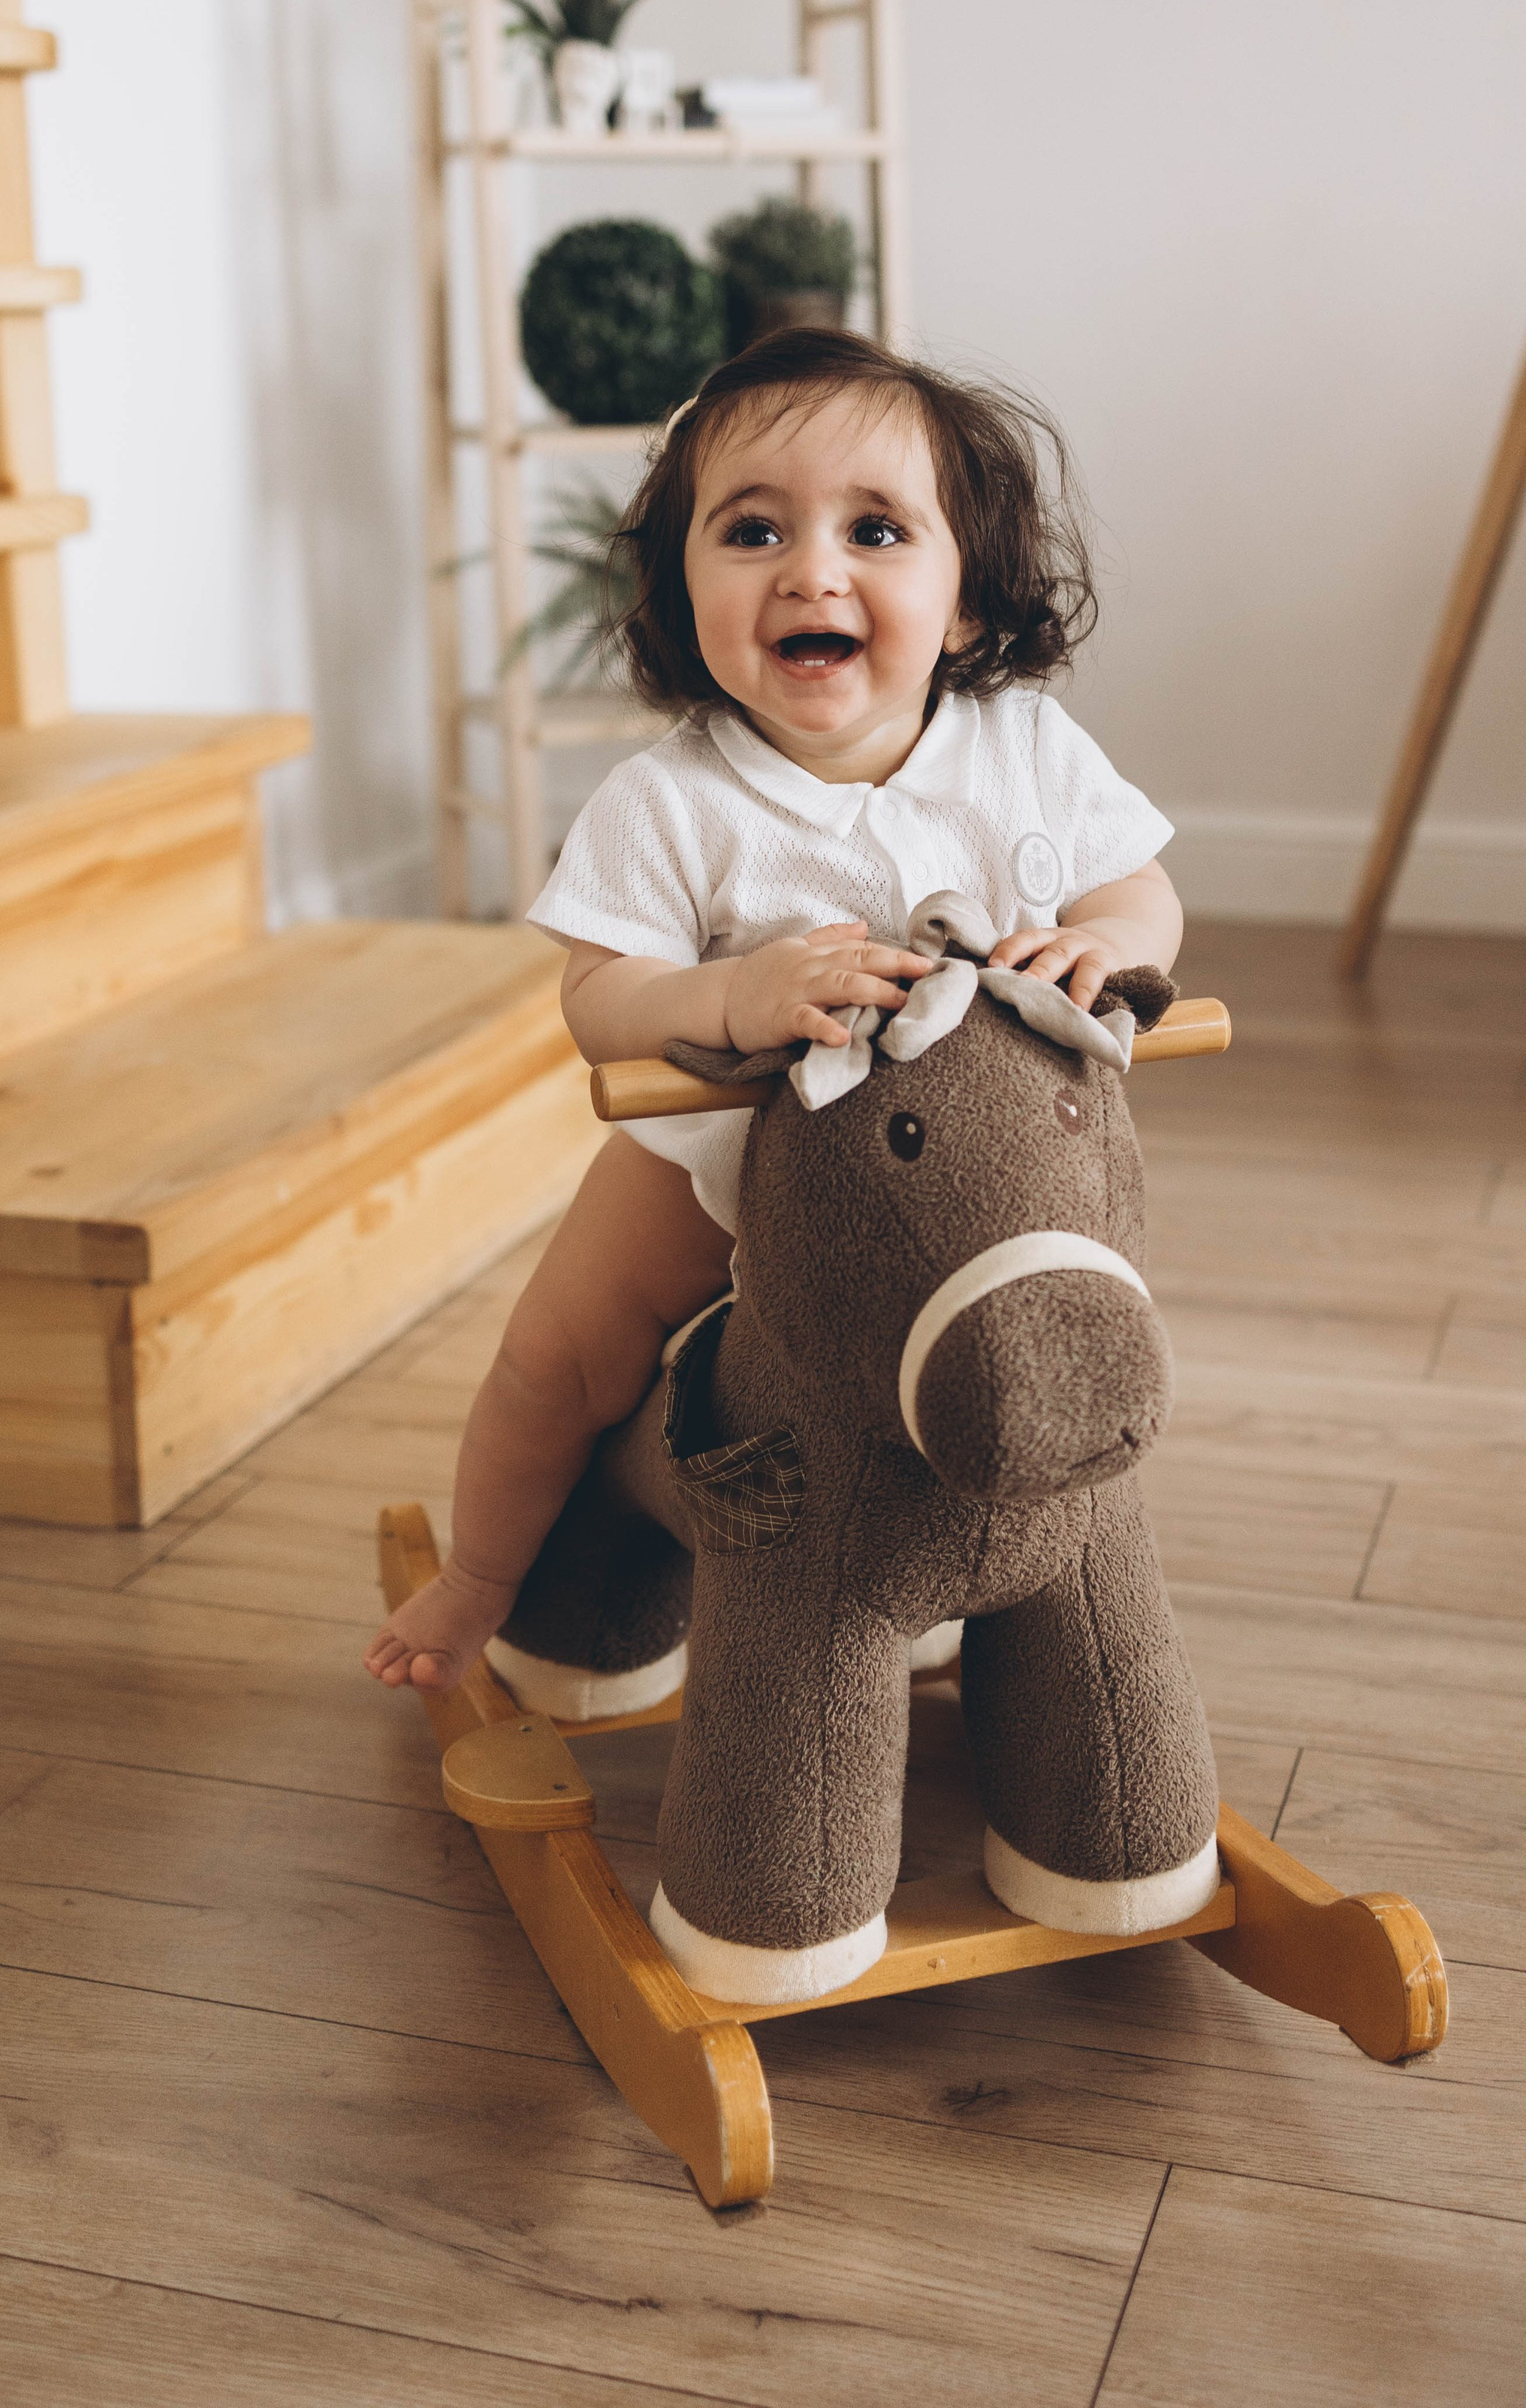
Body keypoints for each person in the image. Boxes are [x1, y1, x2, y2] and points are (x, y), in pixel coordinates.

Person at [364, 326, 1183, 1694]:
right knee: (556, 1357)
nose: (813, 570)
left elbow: (1143, 890)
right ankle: (486, 1581)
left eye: (875, 529)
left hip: (974, 1177)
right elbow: (601, 999)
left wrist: (1104, 944)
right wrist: (733, 994)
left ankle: (979, 1570)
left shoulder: (1029, 749)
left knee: (1050, 1320)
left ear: (970, 599)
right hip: (721, 1161)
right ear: (682, 591)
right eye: (752, 532)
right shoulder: (672, 800)